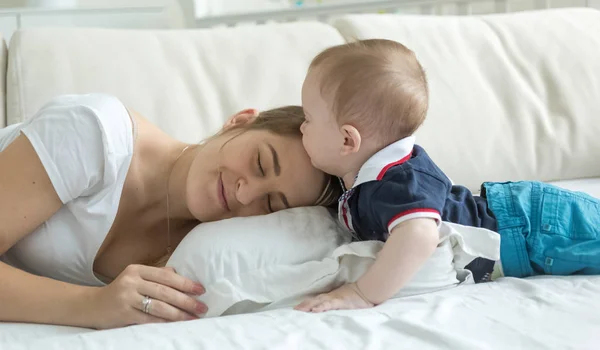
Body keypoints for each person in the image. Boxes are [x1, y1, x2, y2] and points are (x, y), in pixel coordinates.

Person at [295, 39, 600, 313]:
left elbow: (419, 235)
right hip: (521, 220)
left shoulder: (398, 181)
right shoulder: (365, 176)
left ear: (348, 140)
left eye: (307, 118)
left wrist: (362, 293)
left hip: (531, 228)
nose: (301, 128)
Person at [0, 93, 341, 329]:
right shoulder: (96, 133)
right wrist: (93, 304)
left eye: (269, 205)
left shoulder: (202, 251)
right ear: (240, 122)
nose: (245, 192)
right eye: (260, 163)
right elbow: (97, 305)